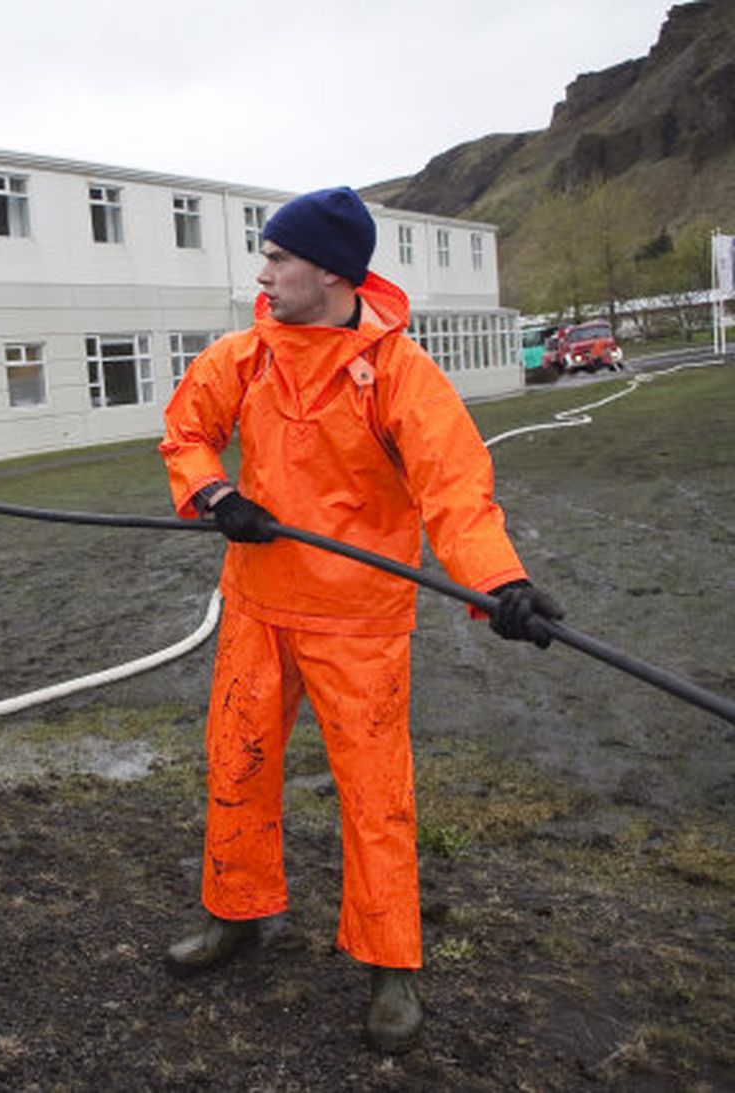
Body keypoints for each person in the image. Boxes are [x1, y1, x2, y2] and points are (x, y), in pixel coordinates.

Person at [157, 187, 564, 1053]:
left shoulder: (403, 376)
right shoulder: (246, 357)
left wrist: (503, 582)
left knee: (376, 799)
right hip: (259, 606)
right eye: (265, 256)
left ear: (333, 272)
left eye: (279, 258)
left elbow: (456, 490)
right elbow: (186, 430)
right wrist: (215, 492)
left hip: (359, 624)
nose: (263, 271)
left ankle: (390, 963)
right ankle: (235, 911)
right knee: (236, 763)